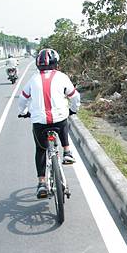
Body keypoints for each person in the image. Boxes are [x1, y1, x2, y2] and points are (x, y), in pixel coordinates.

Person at [18, 48, 81, 199]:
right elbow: (74, 96)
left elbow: (22, 99)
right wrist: (73, 109)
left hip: (39, 122)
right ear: (56, 64)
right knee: (64, 118)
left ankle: (41, 183)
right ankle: (67, 152)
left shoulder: (33, 79)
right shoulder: (62, 77)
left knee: (40, 150)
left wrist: (23, 111)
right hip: (59, 120)